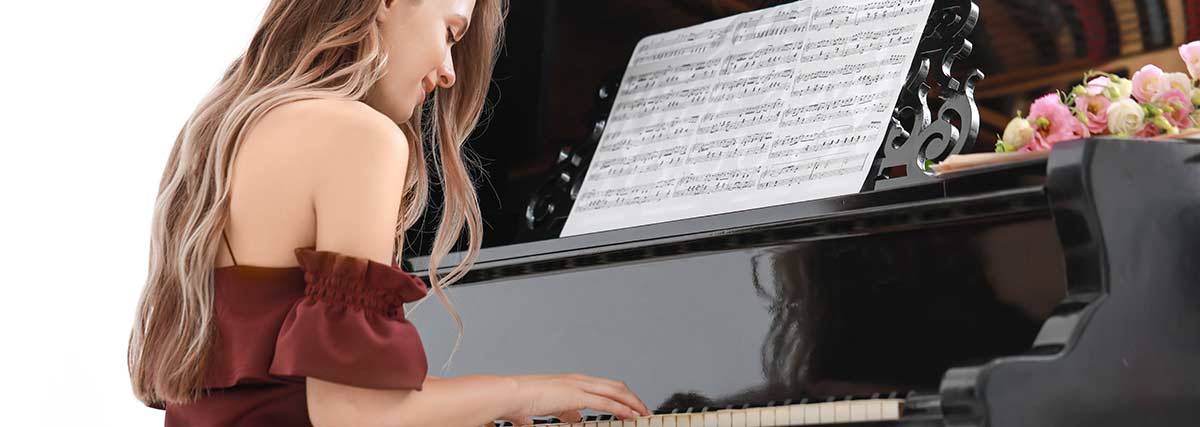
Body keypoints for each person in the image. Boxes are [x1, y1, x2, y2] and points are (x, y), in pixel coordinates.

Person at [126, 0, 651, 425]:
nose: (448, 72)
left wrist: (484, 403)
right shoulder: (360, 135)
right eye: (450, 32)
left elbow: (298, 399)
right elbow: (351, 412)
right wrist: (523, 390)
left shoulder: (229, 129)